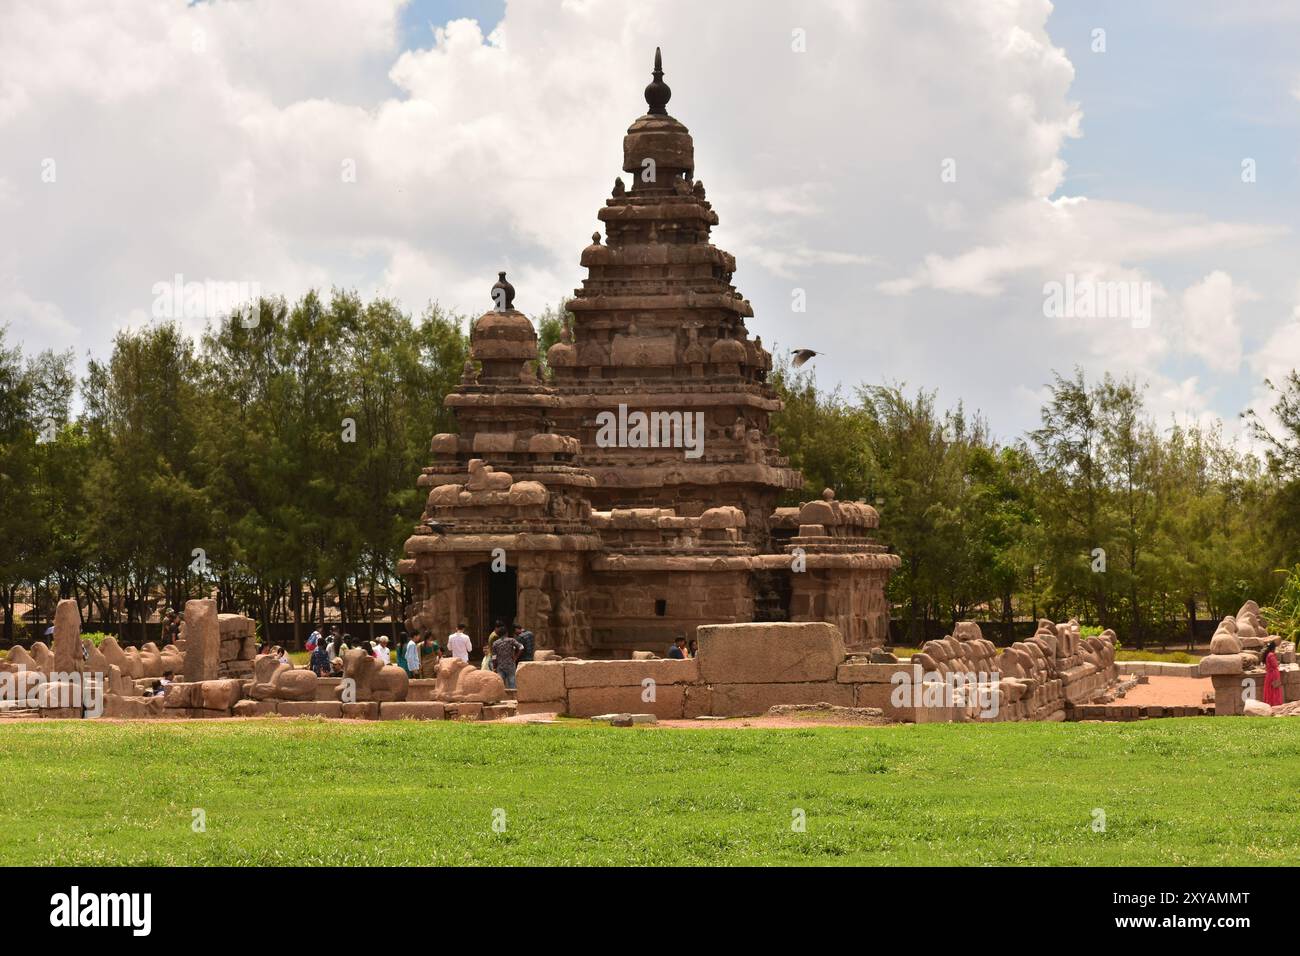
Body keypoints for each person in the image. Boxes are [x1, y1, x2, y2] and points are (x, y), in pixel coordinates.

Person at [1263, 640, 1284, 706]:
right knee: (1274, 688)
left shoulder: (1268, 654)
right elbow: (1275, 665)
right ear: (1273, 648)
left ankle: (1270, 702)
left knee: (1270, 688)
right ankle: (1274, 702)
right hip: (1273, 674)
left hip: (1270, 674)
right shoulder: (1271, 655)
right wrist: (1278, 662)